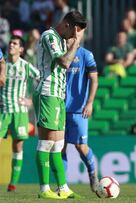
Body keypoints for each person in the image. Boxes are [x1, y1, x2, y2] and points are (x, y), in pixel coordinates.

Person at [33, 11, 86, 199]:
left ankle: (62, 188)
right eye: (74, 32)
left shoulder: (62, 40)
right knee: (47, 143)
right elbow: (64, 62)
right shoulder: (50, 36)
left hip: (58, 95)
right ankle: (44, 189)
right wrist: (76, 44)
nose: (74, 37)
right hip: (47, 93)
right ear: (66, 25)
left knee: (58, 145)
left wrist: (71, 43)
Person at [0, 35, 40, 192]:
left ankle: (13, 184)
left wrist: (31, 100)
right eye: (10, 42)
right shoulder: (2, 64)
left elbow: (42, 79)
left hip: (20, 112)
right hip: (3, 111)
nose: (11, 45)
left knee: (17, 146)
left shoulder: (26, 66)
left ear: (21, 49)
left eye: (15, 43)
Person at [61, 45, 99, 192]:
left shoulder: (86, 55)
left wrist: (89, 103)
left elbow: (94, 80)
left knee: (80, 147)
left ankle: (92, 173)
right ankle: (62, 185)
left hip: (78, 109)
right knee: (60, 148)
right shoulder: (59, 53)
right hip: (59, 107)